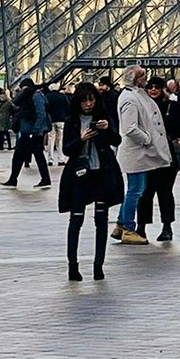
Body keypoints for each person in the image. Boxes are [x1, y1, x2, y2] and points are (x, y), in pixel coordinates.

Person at [60, 81, 120, 281]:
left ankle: (98, 265)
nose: (88, 104)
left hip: (101, 173)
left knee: (101, 220)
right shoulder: (72, 121)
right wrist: (82, 139)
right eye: (85, 100)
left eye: (92, 100)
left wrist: (107, 129)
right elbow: (67, 150)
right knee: (76, 219)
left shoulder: (102, 118)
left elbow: (117, 140)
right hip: (79, 175)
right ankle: (73, 265)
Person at [115, 65, 171, 244]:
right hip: (137, 152)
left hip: (139, 153)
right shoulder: (130, 99)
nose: (145, 79)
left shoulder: (133, 95)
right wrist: (147, 139)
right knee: (135, 190)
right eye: (142, 76)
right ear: (135, 79)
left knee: (135, 189)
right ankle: (128, 229)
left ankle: (120, 224)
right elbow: (130, 128)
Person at [137, 76, 180, 242]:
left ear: (162, 89)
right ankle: (141, 227)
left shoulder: (172, 106)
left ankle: (167, 227)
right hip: (148, 154)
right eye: (150, 87)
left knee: (164, 192)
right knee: (145, 193)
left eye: (156, 87)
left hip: (167, 156)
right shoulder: (142, 106)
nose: (153, 90)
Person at [1, 78, 52, 189]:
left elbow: (41, 114)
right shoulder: (28, 96)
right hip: (28, 131)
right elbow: (14, 103)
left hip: (33, 132)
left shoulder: (36, 96)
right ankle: (15, 178)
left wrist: (35, 130)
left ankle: (14, 179)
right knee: (31, 155)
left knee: (27, 156)